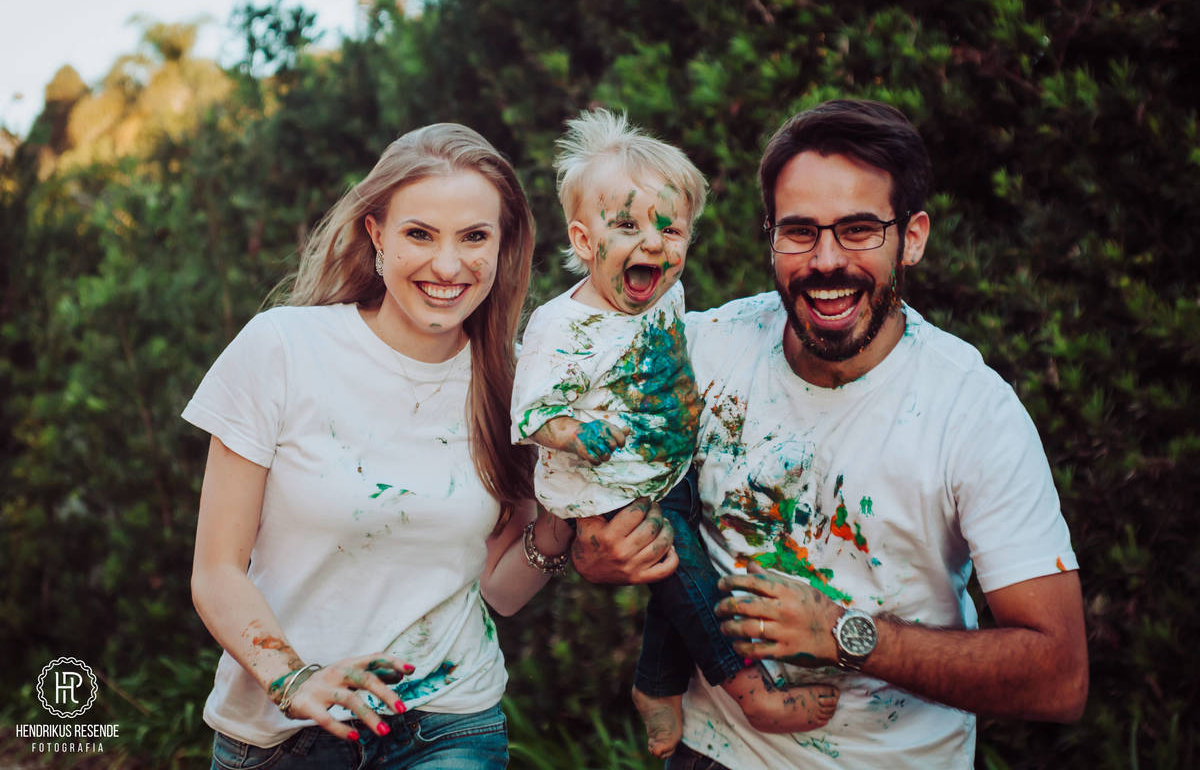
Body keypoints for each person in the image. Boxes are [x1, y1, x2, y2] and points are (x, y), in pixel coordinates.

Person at [574, 99, 1088, 768]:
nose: (825, 260)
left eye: (858, 230)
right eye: (799, 232)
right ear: (770, 236)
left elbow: (1059, 677)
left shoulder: (973, 412)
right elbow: (588, 501)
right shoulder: (703, 349)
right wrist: (593, 553)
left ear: (913, 238)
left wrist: (848, 635)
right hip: (711, 754)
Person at [185, 123, 579, 769]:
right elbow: (215, 571)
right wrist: (291, 677)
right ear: (376, 234)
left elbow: (501, 590)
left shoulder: (522, 384)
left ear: (503, 244)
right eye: (420, 234)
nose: (447, 266)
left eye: (474, 237)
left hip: (449, 723)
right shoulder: (282, 348)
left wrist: (565, 519)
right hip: (283, 734)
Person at [511, 109, 838, 760]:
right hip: (609, 489)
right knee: (690, 581)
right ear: (583, 241)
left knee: (677, 588)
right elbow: (528, 414)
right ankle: (748, 688)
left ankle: (656, 687)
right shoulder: (563, 329)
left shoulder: (663, 291)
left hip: (667, 468)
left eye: (670, 228)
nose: (653, 244)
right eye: (627, 226)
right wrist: (575, 433)